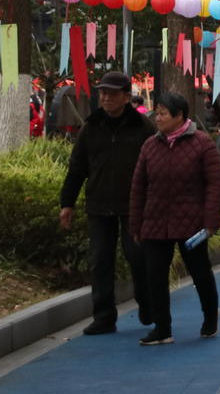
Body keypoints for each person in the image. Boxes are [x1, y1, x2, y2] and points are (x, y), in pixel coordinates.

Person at [59, 71, 155, 335]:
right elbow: (77, 167)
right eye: (103, 93)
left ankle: (147, 304)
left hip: (133, 206)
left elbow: (155, 167)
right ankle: (103, 317)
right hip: (99, 205)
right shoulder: (91, 127)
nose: (106, 98)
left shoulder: (143, 127)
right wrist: (67, 203)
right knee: (100, 261)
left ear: (126, 96)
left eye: (112, 93)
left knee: (138, 257)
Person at [130, 92, 220, 344]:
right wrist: (136, 224)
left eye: (163, 113)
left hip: (191, 221)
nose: (158, 118)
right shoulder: (150, 146)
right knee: (155, 276)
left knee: (200, 271)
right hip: (155, 220)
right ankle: (162, 328)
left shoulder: (202, 143)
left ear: (179, 115)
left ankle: (210, 316)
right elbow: (138, 187)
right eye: (157, 113)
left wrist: (210, 219)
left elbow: (215, 183)